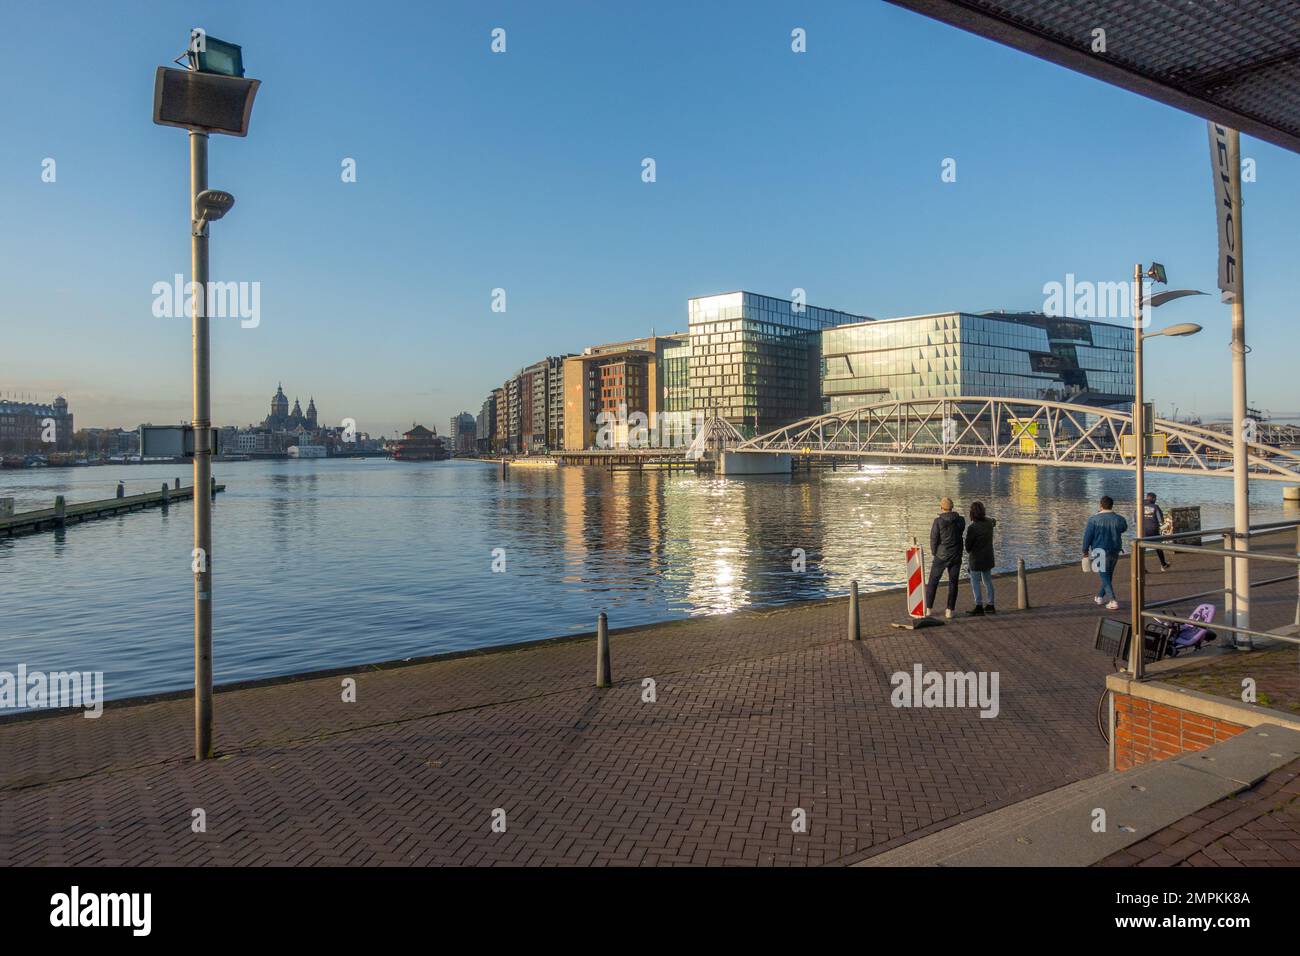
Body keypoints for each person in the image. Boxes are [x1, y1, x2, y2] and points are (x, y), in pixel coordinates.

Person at [1083, 495, 1128, 610]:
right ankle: (1099, 596)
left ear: (1100, 505)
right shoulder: (1119, 519)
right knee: (1107, 575)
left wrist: (1085, 551)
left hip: (1099, 550)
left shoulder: (1093, 519)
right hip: (1115, 549)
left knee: (1104, 575)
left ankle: (1113, 600)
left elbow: (1088, 536)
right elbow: (1123, 528)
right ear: (1112, 505)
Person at [926, 497, 966, 620]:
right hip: (956, 555)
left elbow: (934, 539)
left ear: (941, 508)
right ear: (952, 507)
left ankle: (928, 609)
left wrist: (934, 552)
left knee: (933, 582)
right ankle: (949, 610)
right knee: (953, 583)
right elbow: (960, 533)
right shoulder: (961, 520)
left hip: (941, 556)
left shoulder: (938, 521)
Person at [965, 500, 997, 615]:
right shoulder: (989, 523)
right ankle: (990, 605)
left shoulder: (972, 528)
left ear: (972, 513)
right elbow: (994, 521)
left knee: (975, 582)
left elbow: (968, 547)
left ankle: (979, 606)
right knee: (988, 581)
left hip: (976, 559)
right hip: (988, 557)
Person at [1141, 491, 1171, 571]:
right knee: (1158, 547)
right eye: (1155, 498)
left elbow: (1135, 519)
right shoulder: (1155, 507)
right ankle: (1163, 564)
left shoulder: (1140, 506)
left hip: (1142, 531)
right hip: (1153, 530)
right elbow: (1161, 520)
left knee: (1142, 549)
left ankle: (1142, 567)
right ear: (1153, 498)